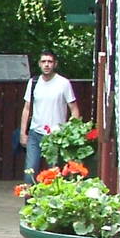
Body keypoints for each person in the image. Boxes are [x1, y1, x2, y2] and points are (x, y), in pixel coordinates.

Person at [18, 49, 79, 182]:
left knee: (54, 173)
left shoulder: (63, 83)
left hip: (56, 135)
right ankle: (29, 202)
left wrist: (69, 131)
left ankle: (51, 201)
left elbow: (74, 109)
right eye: (43, 61)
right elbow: (27, 108)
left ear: (55, 64)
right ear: (39, 64)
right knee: (30, 171)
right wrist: (23, 133)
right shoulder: (33, 82)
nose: (46, 65)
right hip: (35, 133)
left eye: (50, 62)